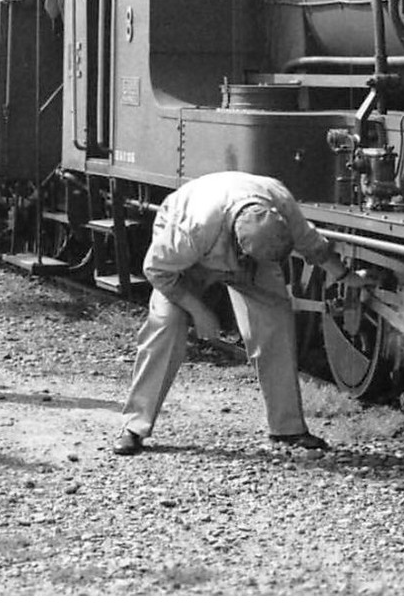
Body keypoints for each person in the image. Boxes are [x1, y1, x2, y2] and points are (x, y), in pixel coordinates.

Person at [114, 170, 357, 456]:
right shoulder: (193, 230)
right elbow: (156, 270)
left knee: (276, 322)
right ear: (238, 245)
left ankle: (287, 428)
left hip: (248, 253)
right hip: (186, 263)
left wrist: (346, 277)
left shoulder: (280, 202)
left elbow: (312, 245)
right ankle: (134, 426)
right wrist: (199, 310)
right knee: (167, 325)